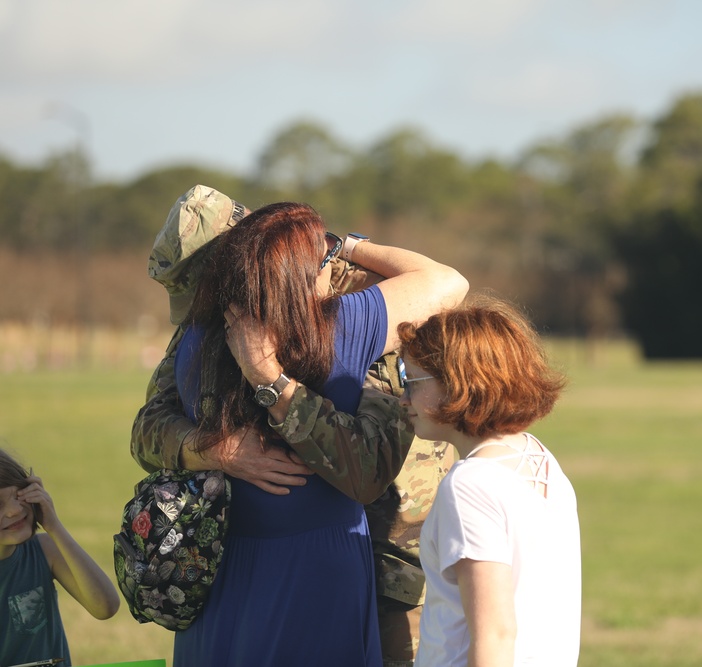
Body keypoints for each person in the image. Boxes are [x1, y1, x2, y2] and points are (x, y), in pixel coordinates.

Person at [132, 185, 458, 666]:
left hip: (395, 551)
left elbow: (367, 465)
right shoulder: (206, 328)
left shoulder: (351, 297)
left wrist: (340, 247)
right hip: (268, 551)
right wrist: (213, 449)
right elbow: (148, 428)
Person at [397, 295, 582, 667]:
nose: (402, 398)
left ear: (458, 383)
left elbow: (495, 636)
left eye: (411, 380)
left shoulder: (470, 486)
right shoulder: (538, 458)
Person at [0, 448, 120, 666]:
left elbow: (105, 607)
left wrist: (53, 525)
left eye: (20, 495)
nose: (14, 511)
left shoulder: (45, 549)